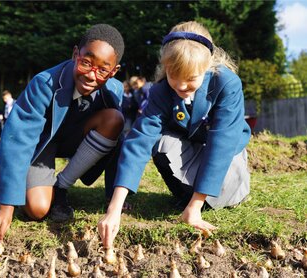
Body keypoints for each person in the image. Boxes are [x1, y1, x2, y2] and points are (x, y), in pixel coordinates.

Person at [98, 21, 251, 249]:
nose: (181, 85)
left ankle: (201, 201)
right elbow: (139, 141)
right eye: (173, 75)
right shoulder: (161, 91)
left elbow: (221, 143)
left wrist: (195, 208)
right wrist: (115, 208)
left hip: (225, 157)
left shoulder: (227, 83)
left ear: (207, 65)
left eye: (191, 78)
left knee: (218, 199)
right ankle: (187, 199)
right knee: (160, 142)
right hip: (191, 151)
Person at [0, 24, 125, 246]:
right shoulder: (44, 83)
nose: (91, 75)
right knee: (37, 209)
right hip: (42, 144)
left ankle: (61, 185)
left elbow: (118, 144)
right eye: (86, 63)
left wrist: (113, 195)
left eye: (102, 70)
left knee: (115, 120)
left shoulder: (115, 91)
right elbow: (17, 140)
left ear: (114, 71)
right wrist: (6, 206)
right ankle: (33, 185)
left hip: (78, 138)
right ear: (75, 54)